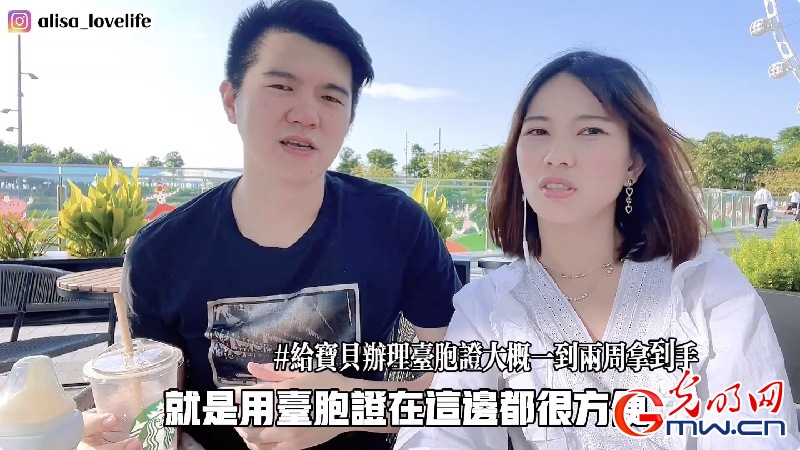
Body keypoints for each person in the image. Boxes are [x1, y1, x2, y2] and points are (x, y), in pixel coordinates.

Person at [78, 0, 461, 449]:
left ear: (349, 119)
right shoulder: (161, 252)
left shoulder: (397, 224)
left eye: (331, 97)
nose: (306, 114)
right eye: (282, 86)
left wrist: (348, 406)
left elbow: (455, 393)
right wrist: (119, 436)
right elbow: (160, 419)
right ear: (231, 100)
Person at [393, 50, 800, 449]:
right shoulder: (488, 307)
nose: (556, 156)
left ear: (634, 163)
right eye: (537, 131)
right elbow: (440, 433)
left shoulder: (703, 286)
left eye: (591, 131)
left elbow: (760, 431)